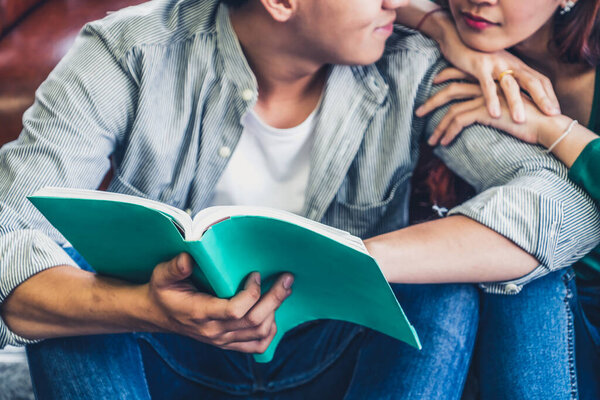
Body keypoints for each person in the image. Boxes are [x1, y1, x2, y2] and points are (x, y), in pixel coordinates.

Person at [0, 0, 597, 398]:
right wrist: (146, 308)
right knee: (71, 291)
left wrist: (344, 259)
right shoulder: (129, 53)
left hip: (331, 357)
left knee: (444, 287)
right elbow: (9, 238)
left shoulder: (412, 64)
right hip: (165, 349)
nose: (400, 1)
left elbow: (565, 207)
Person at [417, 0, 600, 397]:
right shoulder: (449, 43)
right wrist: (444, 32)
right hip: (471, 320)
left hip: (574, 331)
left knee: (527, 267)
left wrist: (552, 130)